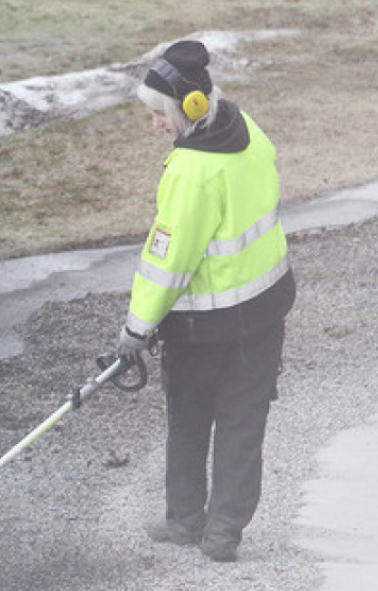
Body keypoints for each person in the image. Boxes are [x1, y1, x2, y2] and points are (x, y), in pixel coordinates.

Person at [117, 40, 296, 562]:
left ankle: (185, 523)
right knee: (244, 424)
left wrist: (135, 328)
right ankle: (223, 535)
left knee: (190, 420)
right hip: (265, 313)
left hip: (203, 329)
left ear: (188, 108)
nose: (154, 125)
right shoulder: (249, 130)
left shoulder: (191, 172)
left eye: (157, 114)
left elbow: (167, 263)